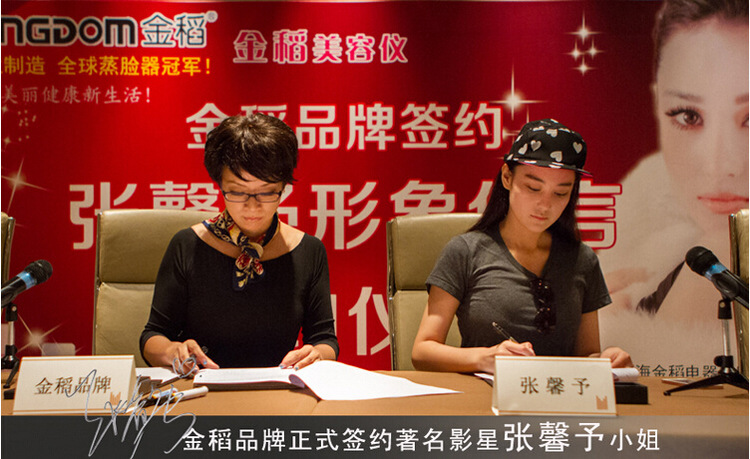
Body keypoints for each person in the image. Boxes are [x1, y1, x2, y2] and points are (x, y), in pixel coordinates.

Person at [411, 119, 632, 374]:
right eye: (533, 188)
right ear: (507, 177)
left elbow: (585, 355)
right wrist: (485, 358)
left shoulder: (582, 259)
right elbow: (423, 351)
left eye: (561, 193)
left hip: (558, 395)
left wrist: (606, 360)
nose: (545, 205)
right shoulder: (466, 251)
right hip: (484, 395)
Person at [598, 0, 747, 370]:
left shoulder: (720, 246)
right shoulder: (654, 251)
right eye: (688, 116)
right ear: (657, 103)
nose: (720, 165)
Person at [140, 114, 338, 371]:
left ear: (283, 186)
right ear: (219, 184)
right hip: (201, 386)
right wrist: (172, 351)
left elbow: (325, 339)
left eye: (267, 191)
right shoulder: (187, 245)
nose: (252, 206)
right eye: (237, 191)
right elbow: (152, 336)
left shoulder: (308, 250)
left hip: (278, 387)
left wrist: (317, 354)